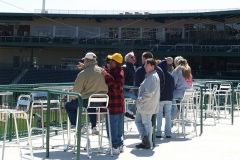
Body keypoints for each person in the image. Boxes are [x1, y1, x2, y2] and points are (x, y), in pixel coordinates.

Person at [65, 52, 108, 135]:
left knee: (68, 106)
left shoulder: (83, 74)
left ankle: (79, 127)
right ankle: (94, 127)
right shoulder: (103, 71)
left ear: (87, 60)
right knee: (91, 107)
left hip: (88, 100)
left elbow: (75, 92)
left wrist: (71, 98)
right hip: (103, 101)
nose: (83, 62)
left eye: (84, 60)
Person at [102, 53, 125, 155]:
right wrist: (106, 72)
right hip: (118, 103)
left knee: (112, 127)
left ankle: (114, 147)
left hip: (114, 103)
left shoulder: (118, 72)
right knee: (118, 126)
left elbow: (116, 87)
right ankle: (119, 145)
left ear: (116, 63)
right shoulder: (115, 71)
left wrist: (106, 75)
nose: (109, 62)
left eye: (111, 61)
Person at [135, 58, 160, 149]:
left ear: (152, 66)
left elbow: (149, 92)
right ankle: (145, 139)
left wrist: (140, 99)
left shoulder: (152, 77)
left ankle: (147, 141)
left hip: (146, 104)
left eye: (146, 64)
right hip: (145, 104)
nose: (144, 66)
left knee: (146, 123)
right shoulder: (151, 76)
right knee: (139, 121)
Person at [156, 60, 175, 138]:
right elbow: (173, 86)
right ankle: (168, 133)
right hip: (169, 98)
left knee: (159, 115)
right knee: (168, 115)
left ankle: (158, 132)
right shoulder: (170, 75)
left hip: (161, 98)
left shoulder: (158, 75)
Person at [123, 51, 137, 118]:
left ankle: (129, 112)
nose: (134, 58)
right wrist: (128, 88)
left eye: (134, 57)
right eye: (131, 57)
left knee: (140, 96)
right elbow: (122, 80)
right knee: (137, 98)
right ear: (127, 59)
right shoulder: (125, 67)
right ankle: (127, 111)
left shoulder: (133, 67)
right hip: (125, 90)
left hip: (131, 89)